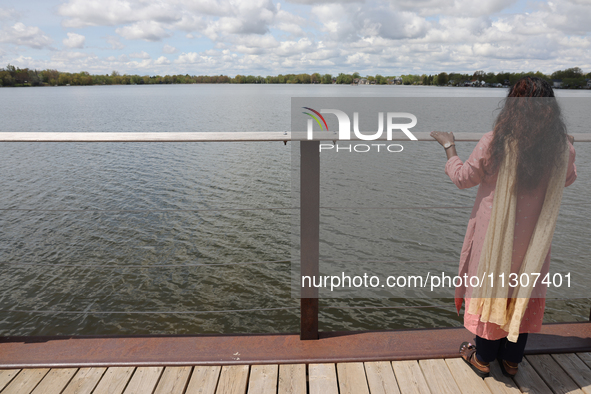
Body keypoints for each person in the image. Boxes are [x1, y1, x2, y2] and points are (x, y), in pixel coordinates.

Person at [430, 76, 577, 379]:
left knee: (492, 287)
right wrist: (569, 146)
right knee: (521, 289)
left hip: (495, 238)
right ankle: (512, 361)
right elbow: (568, 178)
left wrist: (449, 148)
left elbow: (462, 178)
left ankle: (482, 357)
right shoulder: (559, 147)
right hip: (533, 238)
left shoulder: (494, 142)